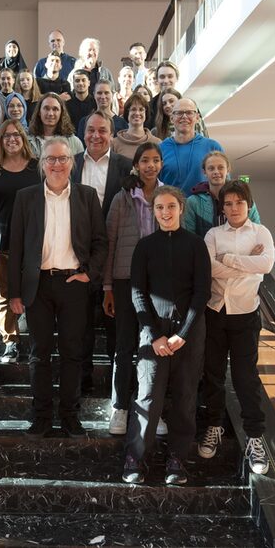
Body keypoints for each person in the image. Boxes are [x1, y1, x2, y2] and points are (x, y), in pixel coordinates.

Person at [8, 137, 107, 438]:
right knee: (39, 354)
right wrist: (14, 292)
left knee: (72, 354)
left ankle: (69, 417)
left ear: (71, 163)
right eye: (50, 159)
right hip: (37, 285)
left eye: (62, 158)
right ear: (41, 164)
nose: (57, 164)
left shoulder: (87, 196)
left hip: (72, 283)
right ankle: (40, 417)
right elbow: (17, 247)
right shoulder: (26, 197)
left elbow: (101, 242)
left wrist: (89, 274)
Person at [121, 186, 209, 485]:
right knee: (147, 396)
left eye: (171, 206)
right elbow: (137, 294)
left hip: (189, 333)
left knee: (185, 397)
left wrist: (182, 334)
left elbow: (202, 293)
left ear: (181, 208)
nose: (165, 212)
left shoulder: (197, 245)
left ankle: (177, 460)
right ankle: (135, 458)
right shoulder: (144, 247)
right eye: (159, 207)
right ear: (152, 211)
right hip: (153, 333)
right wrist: (154, 335)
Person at [200, 180, 274, 475]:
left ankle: (255, 438)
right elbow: (210, 269)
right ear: (222, 207)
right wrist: (247, 263)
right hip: (215, 312)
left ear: (249, 204)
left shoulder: (261, 232)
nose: (233, 208)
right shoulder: (213, 233)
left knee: (246, 377)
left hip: (245, 314)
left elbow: (266, 265)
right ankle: (214, 426)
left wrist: (228, 259)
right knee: (213, 375)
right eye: (228, 203)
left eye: (239, 203)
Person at [102, 143, 163, 435]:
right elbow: (110, 244)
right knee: (124, 347)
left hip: (159, 284)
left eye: (155, 160)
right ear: (136, 165)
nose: (150, 165)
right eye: (145, 161)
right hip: (126, 280)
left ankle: (151, 408)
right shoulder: (122, 197)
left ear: (161, 165)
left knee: (153, 347)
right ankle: (120, 408)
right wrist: (108, 286)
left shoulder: (169, 196)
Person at [73, 111, 133, 391]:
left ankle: (115, 386)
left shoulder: (125, 166)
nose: (96, 136)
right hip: (78, 255)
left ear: (111, 134)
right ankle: (82, 381)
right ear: (83, 134)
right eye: (91, 130)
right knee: (80, 325)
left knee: (115, 326)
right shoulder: (70, 164)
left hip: (114, 253)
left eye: (102, 131)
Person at [0, 119, 42, 364]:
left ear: (24, 138)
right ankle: (10, 341)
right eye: (7, 135)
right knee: (3, 294)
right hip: (1, 239)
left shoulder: (36, 168)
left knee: (34, 293)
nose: (12, 139)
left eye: (17, 135)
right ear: (0, 140)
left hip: (32, 240)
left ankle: (38, 340)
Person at [184, 151, 260, 238]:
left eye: (220, 167)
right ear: (204, 172)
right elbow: (188, 236)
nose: (216, 172)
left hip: (241, 251)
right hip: (205, 251)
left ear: (228, 170)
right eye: (211, 168)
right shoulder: (193, 202)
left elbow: (256, 231)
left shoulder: (244, 198)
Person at [158, 98, 224, 196]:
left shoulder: (213, 147)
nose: (184, 116)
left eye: (189, 112)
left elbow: (224, 184)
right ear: (172, 118)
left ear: (197, 117)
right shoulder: (160, 149)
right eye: (179, 113)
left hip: (205, 209)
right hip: (170, 209)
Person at [28, 93, 85, 157]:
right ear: (39, 112)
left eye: (55, 109)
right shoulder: (28, 141)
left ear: (61, 113)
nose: (50, 113)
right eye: (46, 108)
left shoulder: (74, 142)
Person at [112, 93, 161, 160]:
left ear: (146, 113)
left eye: (141, 110)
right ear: (127, 113)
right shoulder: (114, 144)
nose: (137, 113)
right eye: (133, 109)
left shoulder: (157, 143)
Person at [146, 61, 180, 130]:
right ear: (157, 80)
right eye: (162, 77)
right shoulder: (149, 108)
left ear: (176, 78)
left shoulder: (188, 105)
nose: (166, 80)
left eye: (170, 76)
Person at [66, 69, 97, 136]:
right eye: (77, 81)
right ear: (73, 84)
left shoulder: (96, 103)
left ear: (89, 83)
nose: (80, 83)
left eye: (83, 80)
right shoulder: (67, 105)